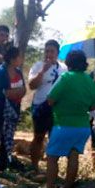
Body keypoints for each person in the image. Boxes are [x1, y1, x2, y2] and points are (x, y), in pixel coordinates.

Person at [42, 50, 95, 188]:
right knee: (73, 155)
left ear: (68, 63)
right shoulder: (90, 81)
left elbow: (51, 99)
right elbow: (93, 106)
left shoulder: (65, 77)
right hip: (82, 126)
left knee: (52, 156)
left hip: (63, 124)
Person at [0, 46, 26, 171]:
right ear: (13, 59)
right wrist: (16, 92)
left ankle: (2, 167)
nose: (21, 58)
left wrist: (15, 92)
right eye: (19, 56)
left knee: (6, 137)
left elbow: (24, 90)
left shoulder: (18, 72)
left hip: (13, 109)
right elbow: (4, 93)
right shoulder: (0, 73)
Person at [28, 40, 67, 171]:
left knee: (54, 137)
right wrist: (43, 71)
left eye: (52, 51)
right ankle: (34, 166)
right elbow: (32, 85)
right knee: (38, 136)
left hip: (58, 107)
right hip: (40, 105)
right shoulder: (38, 65)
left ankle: (52, 169)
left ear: (57, 53)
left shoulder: (63, 68)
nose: (49, 54)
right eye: (47, 51)